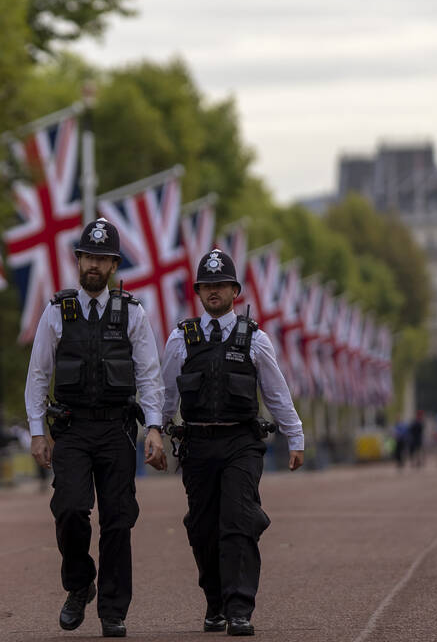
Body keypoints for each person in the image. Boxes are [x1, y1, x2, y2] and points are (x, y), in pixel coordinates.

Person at [25, 217, 166, 638]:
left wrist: (154, 428)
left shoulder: (133, 314)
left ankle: (113, 610)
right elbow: (37, 375)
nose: (94, 265)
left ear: (114, 266)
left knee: (118, 520)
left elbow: (150, 376)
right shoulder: (56, 312)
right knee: (69, 510)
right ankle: (79, 583)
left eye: (102, 260)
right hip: (71, 430)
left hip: (116, 431)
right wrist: (37, 431)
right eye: (88, 256)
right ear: (78, 260)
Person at [157, 248, 304, 637]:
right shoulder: (180, 338)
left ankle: (239, 608)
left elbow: (276, 394)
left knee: (238, 522)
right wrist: (154, 431)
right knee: (203, 528)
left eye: (221, 285)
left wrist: (296, 437)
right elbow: (166, 395)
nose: (214, 292)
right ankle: (215, 602)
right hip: (198, 445)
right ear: (199, 291)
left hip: (241, 442)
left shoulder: (255, 339)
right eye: (208, 286)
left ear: (235, 290)